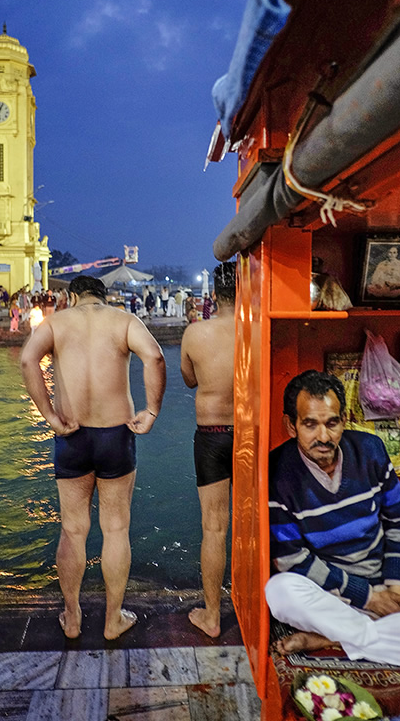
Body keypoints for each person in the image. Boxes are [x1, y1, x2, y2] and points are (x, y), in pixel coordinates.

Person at [20, 275, 166, 641]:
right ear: (104, 297)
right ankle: (113, 619)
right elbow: (155, 357)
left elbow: (27, 360)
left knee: (72, 530)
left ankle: (72, 618)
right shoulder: (123, 320)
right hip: (116, 433)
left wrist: (50, 416)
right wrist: (151, 411)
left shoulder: (57, 322)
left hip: (72, 433)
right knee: (115, 528)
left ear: (72, 296)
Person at [266, 369, 400, 666]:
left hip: (387, 583)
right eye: (310, 425)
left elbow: (398, 523)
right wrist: (369, 599)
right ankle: (373, 633)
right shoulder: (278, 473)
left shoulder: (370, 451)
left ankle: (335, 640)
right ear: (290, 426)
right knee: (280, 592)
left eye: (332, 423)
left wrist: (394, 594)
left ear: (345, 419)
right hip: (333, 597)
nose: (323, 436)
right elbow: (292, 559)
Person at [180, 261, 236, 637]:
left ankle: (212, 616)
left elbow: (189, 379)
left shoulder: (195, 333)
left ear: (214, 295)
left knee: (214, 528)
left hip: (212, 433)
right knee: (256, 523)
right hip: (251, 433)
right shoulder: (258, 329)